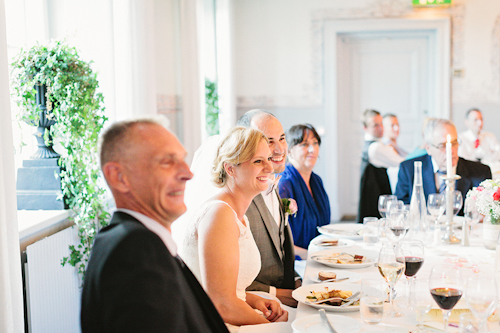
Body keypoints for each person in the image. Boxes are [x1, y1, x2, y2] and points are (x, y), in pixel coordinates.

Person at [81, 117, 229, 333]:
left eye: (182, 160)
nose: (187, 174)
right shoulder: (136, 250)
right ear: (119, 177)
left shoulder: (124, 238)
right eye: (167, 162)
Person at [176, 127, 288, 330]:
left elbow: (224, 290)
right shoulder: (220, 215)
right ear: (230, 169)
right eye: (257, 161)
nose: (269, 168)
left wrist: (253, 301)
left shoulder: (236, 213)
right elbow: (221, 305)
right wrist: (274, 329)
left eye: (268, 159)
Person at [237, 109, 301, 307]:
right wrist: (276, 294)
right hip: (261, 303)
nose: (280, 149)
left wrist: (298, 281)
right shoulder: (240, 199)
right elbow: (229, 278)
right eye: (268, 141)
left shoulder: (272, 183)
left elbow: (281, 253)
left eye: (282, 138)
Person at [395, 118, 492, 216]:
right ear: (428, 148)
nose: (451, 151)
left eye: (454, 143)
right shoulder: (409, 169)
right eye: (442, 146)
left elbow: (488, 214)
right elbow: (400, 208)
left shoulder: (480, 172)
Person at [278, 124, 331, 259]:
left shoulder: (316, 181)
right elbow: (278, 240)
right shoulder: (285, 184)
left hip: (319, 255)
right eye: (304, 144)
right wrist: (312, 255)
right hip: (296, 262)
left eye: (315, 143)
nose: (312, 149)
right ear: (289, 150)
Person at [358, 109, 404, 222]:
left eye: (381, 123)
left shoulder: (377, 145)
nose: (380, 127)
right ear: (365, 128)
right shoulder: (376, 147)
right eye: (375, 125)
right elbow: (402, 163)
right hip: (375, 196)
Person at [458, 108, 500, 174]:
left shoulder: (490, 137)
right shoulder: (461, 139)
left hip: (490, 172)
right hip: (471, 173)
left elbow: (497, 155)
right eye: (475, 120)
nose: (480, 123)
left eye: (481, 119)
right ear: (467, 122)